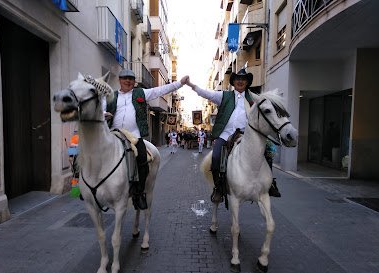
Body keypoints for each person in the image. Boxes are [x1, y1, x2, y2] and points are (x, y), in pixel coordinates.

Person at [186, 68, 281, 202]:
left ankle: (270, 184)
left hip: (246, 135)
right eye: (237, 79)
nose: (240, 81)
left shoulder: (254, 97)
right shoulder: (224, 96)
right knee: (216, 158)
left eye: (243, 79)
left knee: (268, 152)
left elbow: (267, 105)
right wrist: (191, 85)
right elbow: (206, 94)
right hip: (225, 135)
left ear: (247, 82)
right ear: (233, 82)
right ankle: (218, 188)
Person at [106, 69, 189, 209]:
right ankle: (93, 188)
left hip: (134, 136)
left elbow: (160, 90)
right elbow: (99, 108)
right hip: (114, 134)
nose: (128, 81)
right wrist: (104, 113)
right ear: (119, 80)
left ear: (134, 82)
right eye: (125, 78)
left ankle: (139, 193)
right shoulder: (110, 96)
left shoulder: (141, 93)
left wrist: (179, 84)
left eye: (131, 79)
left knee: (142, 160)